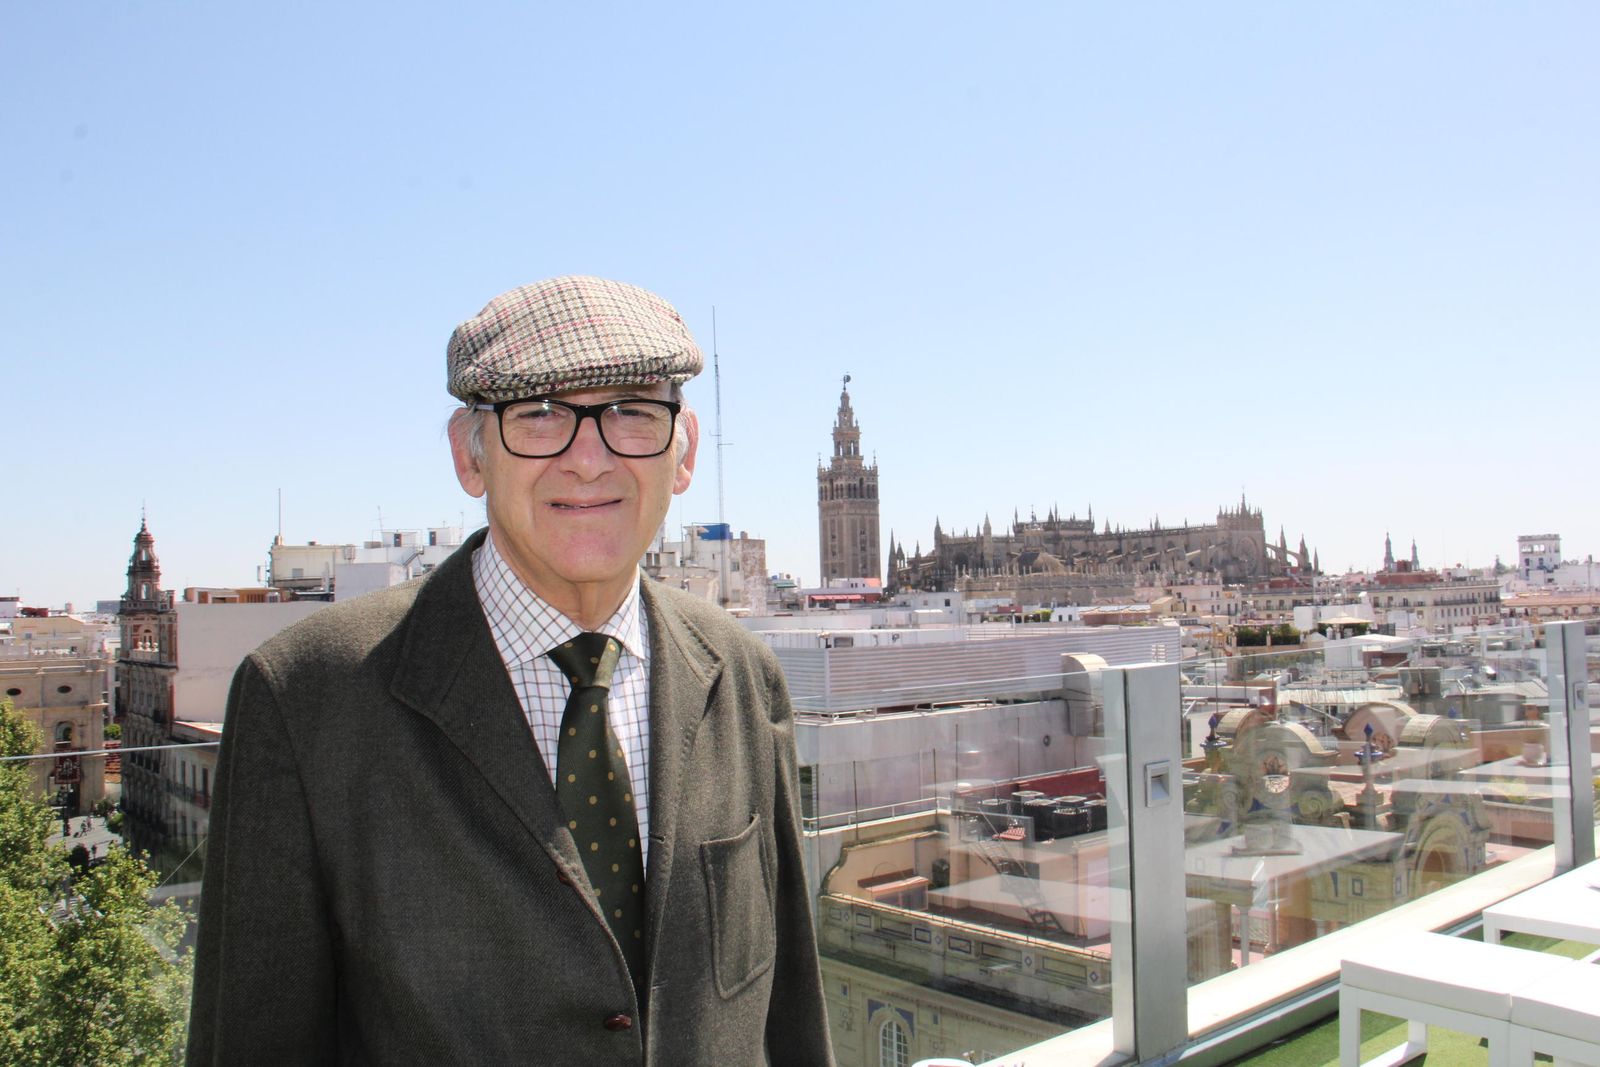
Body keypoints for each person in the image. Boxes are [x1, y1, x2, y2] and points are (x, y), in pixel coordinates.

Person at [187, 276, 835, 1065]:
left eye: (632, 411)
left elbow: (788, 1019)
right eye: (540, 413)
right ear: (471, 453)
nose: (588, 459)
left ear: (685, 450)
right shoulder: (306, 699)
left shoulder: (742, 675)